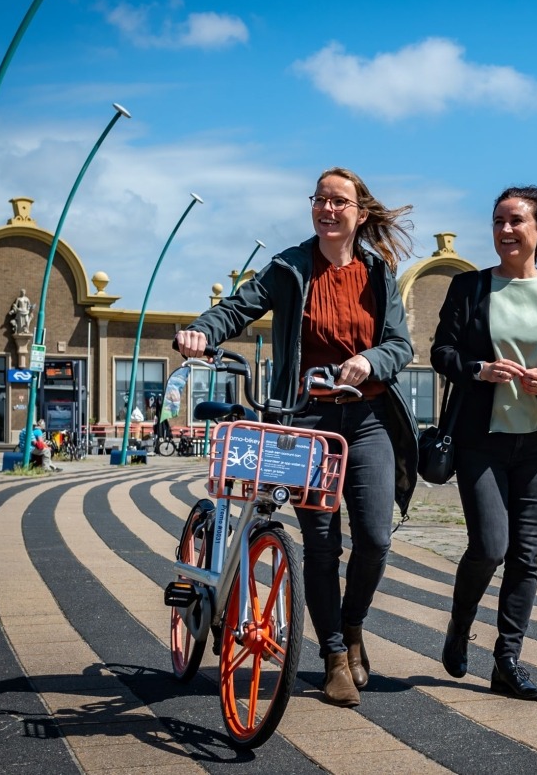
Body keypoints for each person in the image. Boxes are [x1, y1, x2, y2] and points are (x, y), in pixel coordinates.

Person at [174, 166, 417, 708]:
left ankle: (352, 626)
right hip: (307, 422)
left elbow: (402, 346)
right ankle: (333, 655)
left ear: (359, 212)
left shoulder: (379, 271)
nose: (327, 209)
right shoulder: (289, 267)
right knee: (323, 542)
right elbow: (237, 307)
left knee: (376, 538)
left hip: (370, 418)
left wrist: (368, 360)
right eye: (320, 200)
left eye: (339, 202)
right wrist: (201, 330)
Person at [430, 185, 537, 700]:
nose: (505, 230)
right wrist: (478, 369)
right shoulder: (470, 288)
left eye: (516, 221)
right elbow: (441, 353)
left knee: (526, 556)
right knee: (490, 546)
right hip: (481, 441)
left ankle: (507, 659)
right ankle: (459, 627)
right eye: (498, 220)